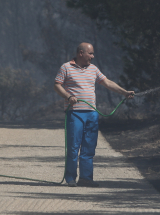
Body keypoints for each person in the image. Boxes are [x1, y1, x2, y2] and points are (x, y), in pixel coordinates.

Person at [54, 43, 134, 187]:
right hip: (74, 113)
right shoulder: (65, 67)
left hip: (92, 113)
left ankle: (86, 178)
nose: (93, 56)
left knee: (89, 146)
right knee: (73, 146)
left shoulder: (94, 69)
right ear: (80, 53)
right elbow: (57, 85)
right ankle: (70, 178)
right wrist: (68, 96)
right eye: (90, 53)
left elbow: (108, 83)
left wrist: (124, 92)